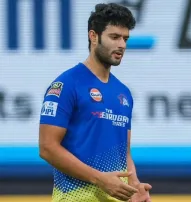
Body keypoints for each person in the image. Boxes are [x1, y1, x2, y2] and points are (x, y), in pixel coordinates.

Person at [38, 3, 151, 202]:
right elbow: (47, 148)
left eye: (125, 38)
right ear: (93, 36)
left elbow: (124, 152)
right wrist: (100, 179)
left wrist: (134, 185)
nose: (122, 45)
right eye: (114, 37)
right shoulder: (66, 84)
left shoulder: (124, 93)